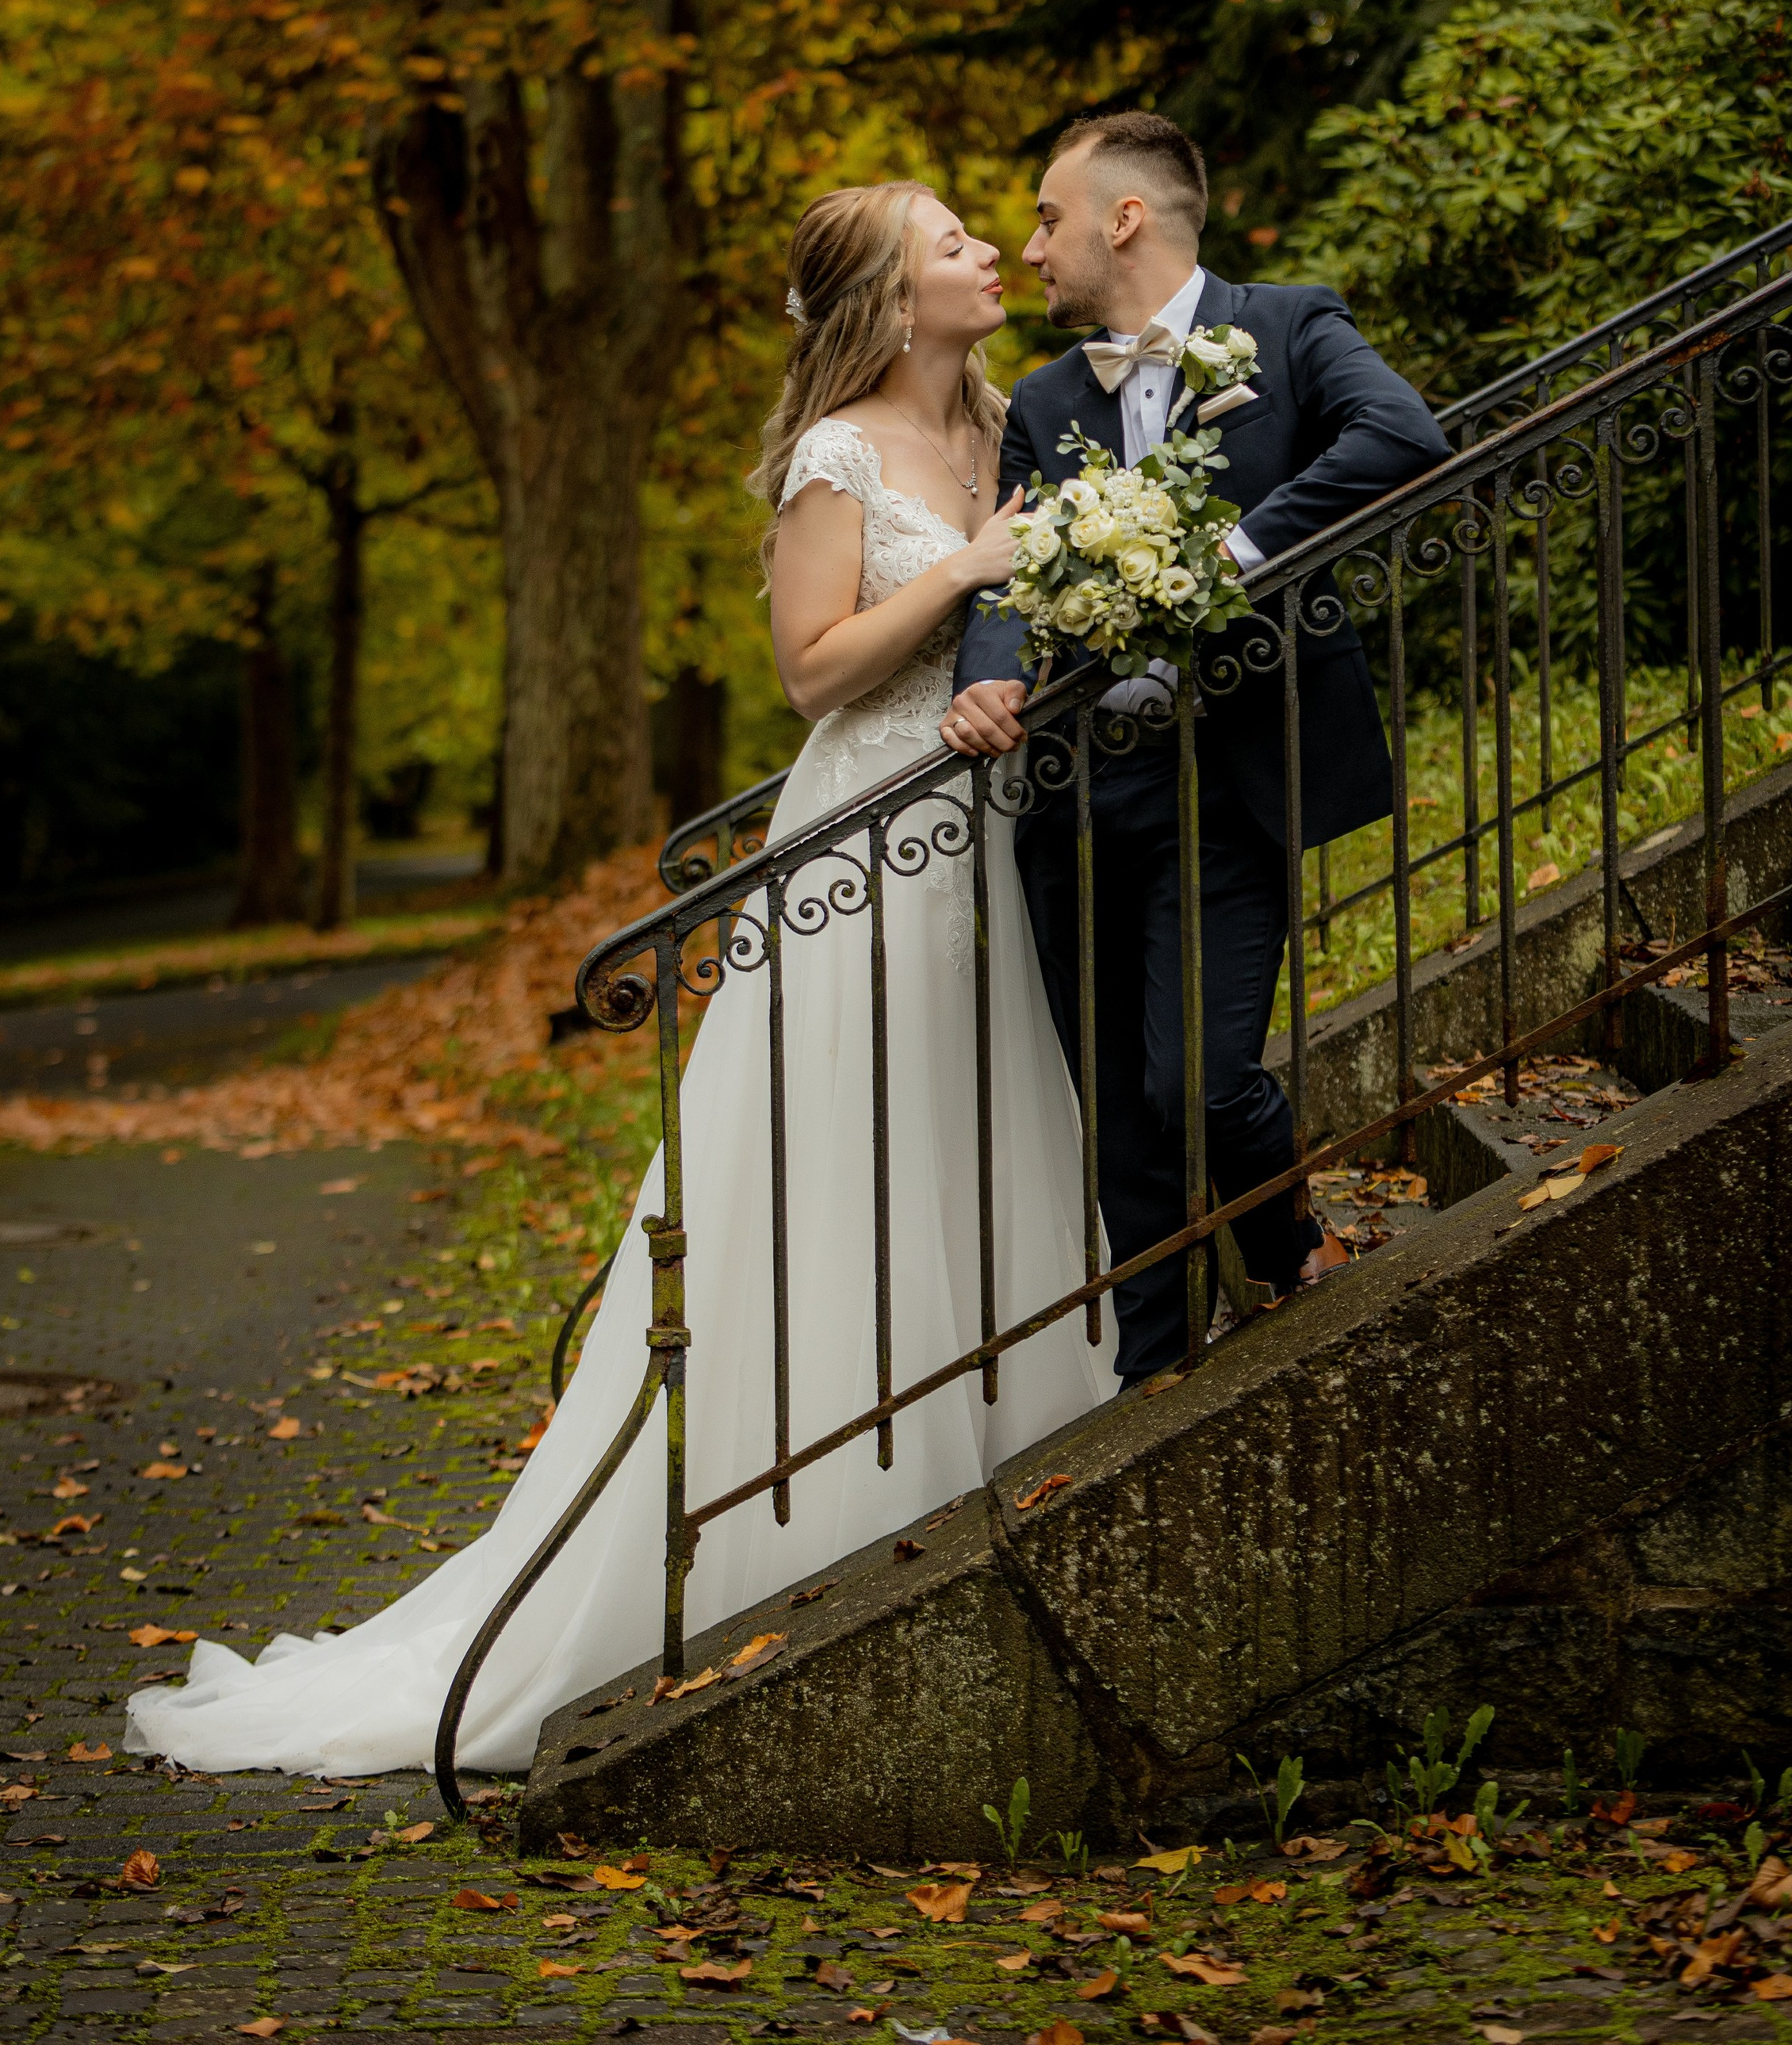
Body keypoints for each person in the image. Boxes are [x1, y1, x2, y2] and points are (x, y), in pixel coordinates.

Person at [124, 180, 1114, 1781]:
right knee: (851, 1164)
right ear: (885, 297)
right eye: (949, 243)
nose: (987, 251)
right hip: (867, 842)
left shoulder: (1015, 425)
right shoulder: (839, 457)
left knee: (978, 1130)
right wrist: (962, 574)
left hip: (992, 830)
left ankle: (1004, 1471)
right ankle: (807, 1532)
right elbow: (811, 669)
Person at [944, 111, 1451, 1388]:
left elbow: (1401, 436)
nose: (1029, 248)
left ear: (1125, 218)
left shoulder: (1287, 326)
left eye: (1047, 218)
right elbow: (1008, 572)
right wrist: (990, 676)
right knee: (1119, 1112)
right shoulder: (1045, 400)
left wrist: (1235, 550)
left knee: (1200, 1083)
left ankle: (1283, 1241)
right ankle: (1154, 1373)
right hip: (1075, 791)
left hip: (1229, 777)